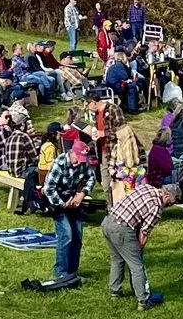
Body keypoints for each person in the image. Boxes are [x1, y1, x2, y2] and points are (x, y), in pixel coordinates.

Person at [105, 166, 168, 308]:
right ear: (168, 197)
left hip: (108, 221)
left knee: (117, 259)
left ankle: (115, 292)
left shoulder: (147, 188)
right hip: (122, 228)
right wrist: (137, 250)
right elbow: (144, 233)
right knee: (136, 265)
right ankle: (143, 300)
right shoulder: (157, 206)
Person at [44, 128, 96, 286]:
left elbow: (91, 179)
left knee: (77, 237)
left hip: (74, 199)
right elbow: (48, 188)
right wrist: (61, 203)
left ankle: (73, 272)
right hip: (58, 201)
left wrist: (82, 194)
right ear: (71, 152)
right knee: (66, 235)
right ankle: (61, 272)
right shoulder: (59, 163)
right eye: (78, 158)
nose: (80, 161)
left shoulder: (83, 164)